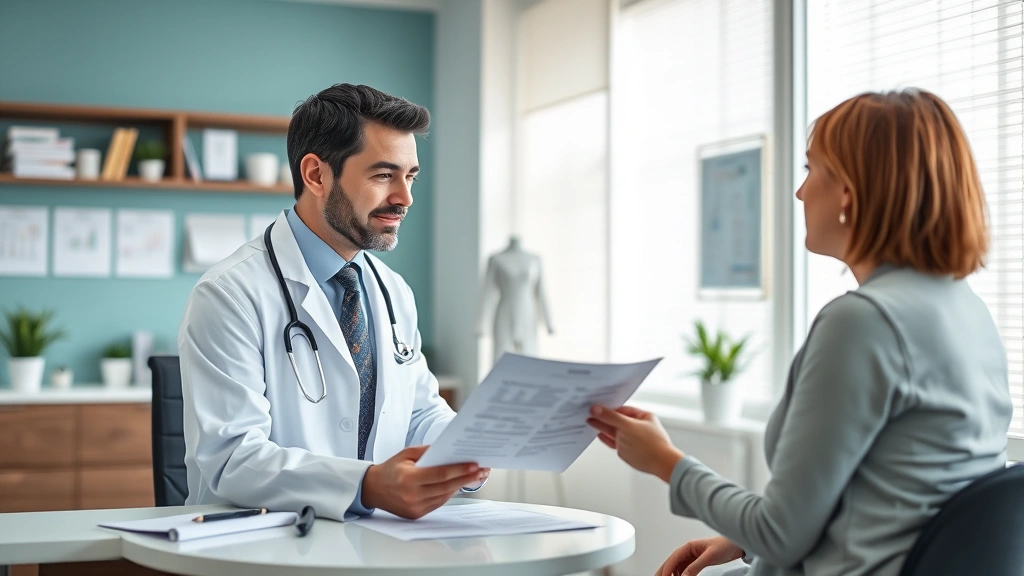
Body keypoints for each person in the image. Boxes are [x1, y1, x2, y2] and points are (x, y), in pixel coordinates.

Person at [588, 89, 1013, 576]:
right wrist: (741, 538)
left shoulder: (863, 322)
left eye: (811, 170)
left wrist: (664, 459)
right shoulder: (968, 311)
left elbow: (781, 535)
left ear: (848, 192)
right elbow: (899, 498)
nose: (800, 192)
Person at [179, 84, 487, 522]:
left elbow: (419, 412)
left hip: (370, 543)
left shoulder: (391, 290)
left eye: (410, 176)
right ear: (317, 175)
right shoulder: (231, 294)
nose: (405, 197)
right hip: (261, 548)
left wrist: (468, 448)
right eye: (384, 175)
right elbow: (232, 458)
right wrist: (367, 485)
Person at [476, 235, 555, 364]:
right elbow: (487, 293)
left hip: (527, 314)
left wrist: (549, 322)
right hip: (504, 312)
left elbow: (541, 293)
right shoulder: (496, 259)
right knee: (501, 358)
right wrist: (481, 324)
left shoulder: (535, 259)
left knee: (530, 358)